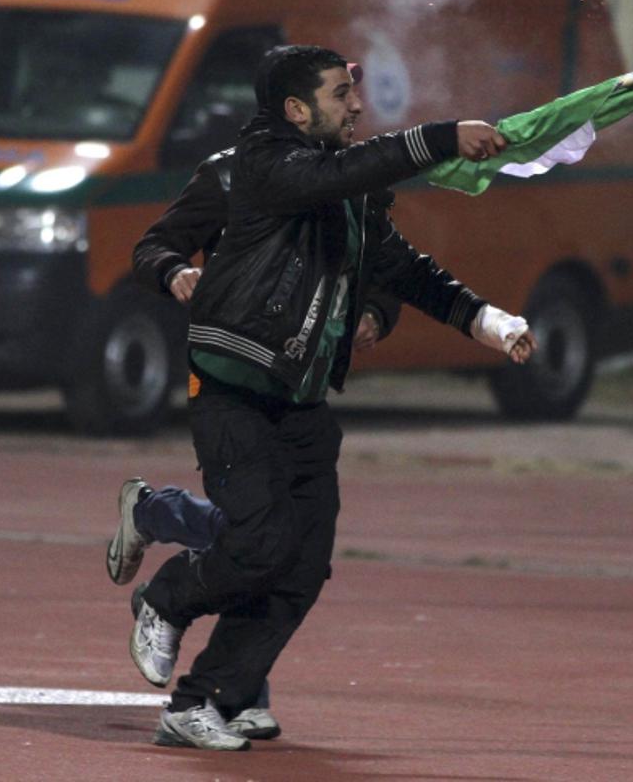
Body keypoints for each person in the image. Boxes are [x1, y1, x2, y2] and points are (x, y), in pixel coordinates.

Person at [121, 45, 535, 752]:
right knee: (260, 545)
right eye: (341, 94)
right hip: (233, 391)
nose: (356, 105)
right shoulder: (258, 166)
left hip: (302, 401)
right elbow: (163, 243)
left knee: (302, 567)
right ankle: (166, 597)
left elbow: (402, 272)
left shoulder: (348, 189)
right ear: (295, 109)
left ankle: (205, 703)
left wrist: (492, 324)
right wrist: (444, 136)